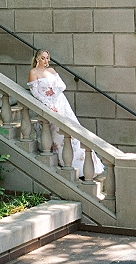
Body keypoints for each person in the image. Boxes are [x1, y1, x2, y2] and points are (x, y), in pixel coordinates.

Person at [27, 48, 104, 178]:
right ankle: (64, 161)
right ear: (37, 59)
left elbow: (62, 86)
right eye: (43, 58)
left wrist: (54, 95)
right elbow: (35, 92)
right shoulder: (33, 72)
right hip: (48, 104)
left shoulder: (51, 71)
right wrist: (48, 103)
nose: (45, 60)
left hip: (61, 102)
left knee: (73, 130)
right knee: (57, 133)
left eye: (47, 58)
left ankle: (83, 165)